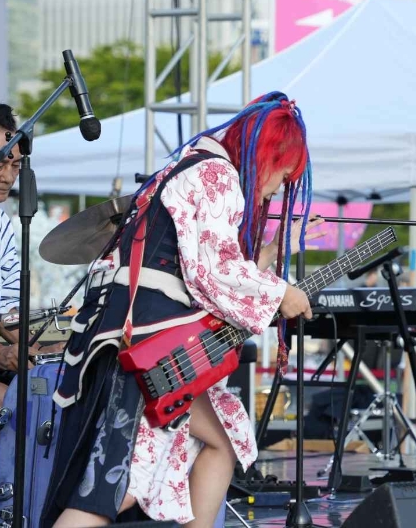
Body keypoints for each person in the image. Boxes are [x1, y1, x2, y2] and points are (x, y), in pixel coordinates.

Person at [42, 93, 323, 527]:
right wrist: (281, 292)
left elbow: (199, 264)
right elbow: (214, 271)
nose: (280, 186)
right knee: (114, 489)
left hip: (140, 340)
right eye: (284, 174)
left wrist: (268, 256)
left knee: (222, 441)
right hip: (145, 348)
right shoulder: (217, 175)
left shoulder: (190, 164)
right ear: (269, 156)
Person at [0, 103, 41, 528]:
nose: (7, 175)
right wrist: (0, 354)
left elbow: (5, 315)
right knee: (1, 404)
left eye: (15, 165)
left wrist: (38, 345)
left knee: (43, 390)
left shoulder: (2, 225)